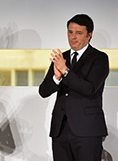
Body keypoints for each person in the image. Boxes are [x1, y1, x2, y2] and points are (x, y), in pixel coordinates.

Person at [39, 14, 109, 161]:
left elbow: (89, 89)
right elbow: (43, 91)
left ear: (89, 35)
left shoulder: (99, 58)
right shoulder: (61, 58)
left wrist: (65, 71)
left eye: (79, 33)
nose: (73, 37)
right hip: (61, 130)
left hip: (87, 131)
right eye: (70, 32)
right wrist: (56, 78)